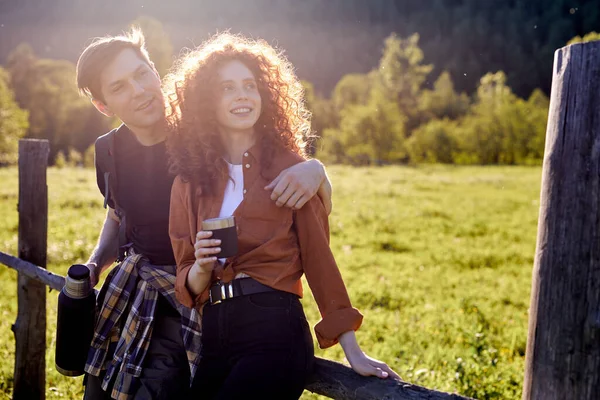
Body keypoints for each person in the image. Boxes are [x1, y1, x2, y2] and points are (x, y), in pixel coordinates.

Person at [75, 28, 334, 400]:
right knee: (96, 393)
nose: (139, 90)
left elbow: (269, 156)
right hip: (134, 291)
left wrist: (315, 169)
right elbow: (118, 214)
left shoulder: (203, 136)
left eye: (142, 74)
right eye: (119, 87)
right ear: (104, 105)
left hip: (195, 300)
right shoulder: (108, 151)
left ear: (155, 69)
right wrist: (97, 262)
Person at [166, 33, 400, 400]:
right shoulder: (188, 182)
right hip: (214, 334)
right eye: (227, 88)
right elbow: (187, 281)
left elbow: (319, 258)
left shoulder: (293, 170)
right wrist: (201, 267)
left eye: (250, 86)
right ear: (205, 101)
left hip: (274, 331)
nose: (242, 95)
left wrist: (351, 347)